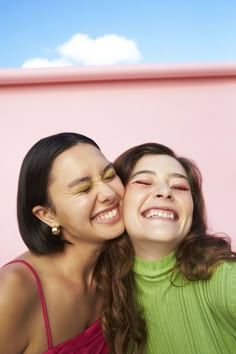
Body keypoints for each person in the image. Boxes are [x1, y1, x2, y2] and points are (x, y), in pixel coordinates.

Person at [0, 132, 146, 354]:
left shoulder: (119, 267)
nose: (108, 193)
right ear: (47, 215)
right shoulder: (12, 289)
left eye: (109, 176)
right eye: (84, 189)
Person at [114, 142, 236, 354]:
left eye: (179, 187)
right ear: (117, 202)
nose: (164, 192)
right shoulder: (100, 293)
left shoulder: (223, 276)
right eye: (144, 182)